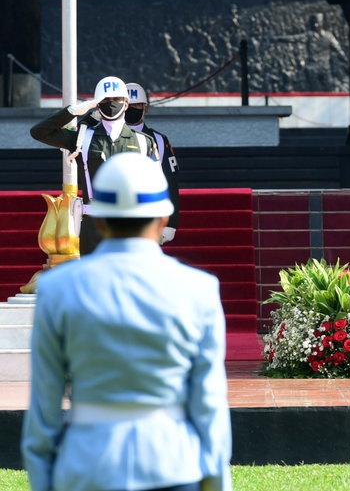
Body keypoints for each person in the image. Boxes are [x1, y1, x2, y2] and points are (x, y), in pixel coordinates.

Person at [21, 152, 232, 491]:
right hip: (172, 466)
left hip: (87, 467)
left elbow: (44, 407)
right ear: (163, 219)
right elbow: (208, 405)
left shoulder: (58, 289)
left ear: (99, 221)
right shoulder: (198, 289)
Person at [30, 75, 158, 255]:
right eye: (106, 100)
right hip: (94, 224)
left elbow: (155, 188)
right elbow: (39, 132)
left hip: (131, 224)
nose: (112, 103)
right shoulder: (84, 139)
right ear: (98, 105)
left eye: (117, 99)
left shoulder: (144, 142)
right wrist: (74, 111)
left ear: (126, 104)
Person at [126, 82, 181, 244]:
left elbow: (171, 181)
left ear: (146, 108)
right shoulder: (106, 137)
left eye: (137, 105)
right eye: (128, 105)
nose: (132, 109)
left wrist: (171, 222)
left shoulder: (159, 140)